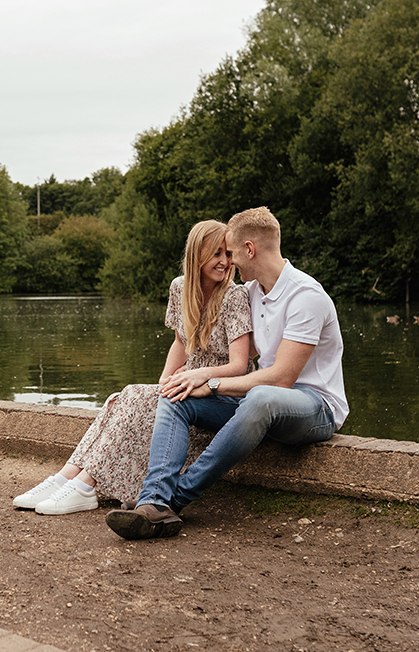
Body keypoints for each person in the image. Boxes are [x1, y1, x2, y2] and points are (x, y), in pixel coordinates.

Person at [105, 207, 348, 540]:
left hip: (314, 407)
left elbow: (281, 380)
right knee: (177, 398)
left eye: (231, 253)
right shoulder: (251, 293)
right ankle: (154, 502)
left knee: (261, 396)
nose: (230, 262)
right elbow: (206, 340)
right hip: (258, 403)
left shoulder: (306, 297)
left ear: (250, 249)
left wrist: (213, 383)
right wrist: (186, 375)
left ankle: (175, 499)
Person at [13, 220, 253, 515]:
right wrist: (165, 379)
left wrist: (196, 375)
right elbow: (180, 341)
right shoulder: (180, 288)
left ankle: (86, 485)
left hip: (222, 392)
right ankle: (66, 476)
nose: (225, 262)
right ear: (197, 254)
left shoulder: (234, 296)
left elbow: (240, 365)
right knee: (122, 397)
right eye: (216, 254)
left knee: (136, 396)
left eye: (228, 254)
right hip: (187, 386)